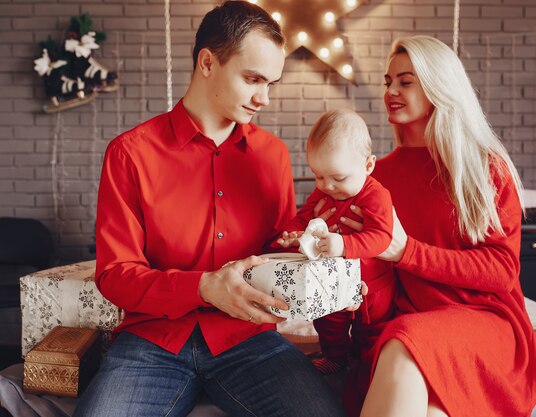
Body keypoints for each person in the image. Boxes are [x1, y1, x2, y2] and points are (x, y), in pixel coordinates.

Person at [74, 2, 346, 416]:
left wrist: (328, 266)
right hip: (151, 343)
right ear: (207, 63)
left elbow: (277, 255)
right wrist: (201, 286)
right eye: (253, 79)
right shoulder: (130, 154)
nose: (264, 98)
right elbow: (114, 275)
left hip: (250, 341)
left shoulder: (272, 155)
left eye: (271, 82)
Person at [352, 35, 536, 417]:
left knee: (405, 341)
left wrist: (406, 251)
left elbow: (501, 272)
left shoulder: (485, 168)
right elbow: (379, 279)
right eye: (388, 81)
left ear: (438, 85)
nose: (391, 90)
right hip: (410, 323)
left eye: (405, 81)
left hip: (487, 324)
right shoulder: (377, 178)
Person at [276, 109, 396, 375]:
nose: (327, 186)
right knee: (328, 321)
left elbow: (382, 237)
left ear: (368, 165)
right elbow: (303, 218)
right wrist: (293, 234)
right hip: (331, 279)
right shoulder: (323, 194)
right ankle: (335, 357)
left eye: (338, 178)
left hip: (371, 286)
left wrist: (343, 245)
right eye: (318, 176)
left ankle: (367, 364)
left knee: (371, 331)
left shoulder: (375, 195)